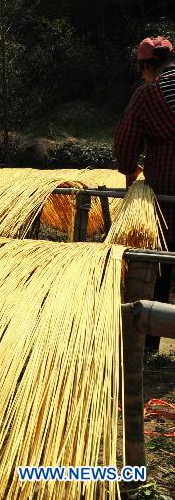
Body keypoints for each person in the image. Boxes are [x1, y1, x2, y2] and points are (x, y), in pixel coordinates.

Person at [113, 36, 175, 354]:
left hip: (167, 196)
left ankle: (151, 342)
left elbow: (126, 141)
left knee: (160, 265)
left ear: (147, 66)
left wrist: (129, 168)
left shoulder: (148, 95)